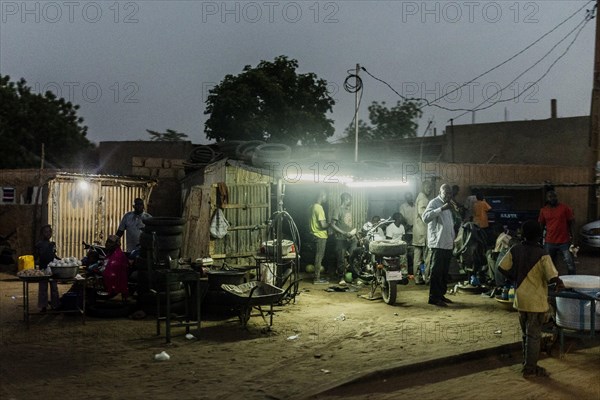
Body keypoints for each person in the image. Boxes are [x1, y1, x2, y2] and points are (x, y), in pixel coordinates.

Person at [498, 220, 564, 378]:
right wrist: (559, 282)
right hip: (536, 301)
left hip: (521, 300)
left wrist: (515, 278)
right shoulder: (542, 254)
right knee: (534, 336)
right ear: (539, 236)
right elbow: (552, 277)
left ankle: (526, 363)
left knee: (525, 334)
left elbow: (501, 267)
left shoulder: (516, 249)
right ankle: (530, 369)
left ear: (523, 234)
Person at [422, 183, 456, 307]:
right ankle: (433, 298)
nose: (448, 195)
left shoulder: (449, 205)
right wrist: (441, 209)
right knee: (436, 272)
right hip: (437, 244)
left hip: (447, 244)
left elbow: (449, 224)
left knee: (443, 272)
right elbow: (425, 218)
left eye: (450, 193)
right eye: (445, 193)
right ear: (440, 192)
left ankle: (441, 295)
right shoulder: (434, 203)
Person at [538, 190, 576, 275]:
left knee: (570, 264)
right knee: (550, 265)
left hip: (564, 242)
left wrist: (574, 240)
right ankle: (554, 284)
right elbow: (541, 226)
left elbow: (572, 224)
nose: (553, 198)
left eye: (554, 196)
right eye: (550, 197)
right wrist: (539, 240)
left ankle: (572, 285)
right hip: (549, 242)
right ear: (547, 198)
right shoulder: (543, 210)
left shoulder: (565, 208)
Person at [330, 192, 357, 285]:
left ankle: (354, 276)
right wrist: (343, 233)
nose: (351, 202)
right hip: (340, 238)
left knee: (353, 257)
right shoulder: (337, 210)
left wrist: (353, 233)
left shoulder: (348, 211)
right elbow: (332, 225)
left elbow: (348, 224)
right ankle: (341, 277)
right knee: (341, 258)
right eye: (350, 200)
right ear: (346, 199)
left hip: (351, 238)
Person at [34, 224, 60, 311]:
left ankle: (55, 305)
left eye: (49, 231)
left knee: (54, 288)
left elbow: (53, 255)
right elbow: (37, 256)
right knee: (43, 288)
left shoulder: (53, 244)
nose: (47, 233)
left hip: (53, 269)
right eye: (45, 232)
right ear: (42, 233)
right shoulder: (39, 244)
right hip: (43, 269)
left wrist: (60, 260)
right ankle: (43, 306)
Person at [413, 180, 432, 285]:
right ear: (423, 187)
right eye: (428, 187)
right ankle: (426, 278)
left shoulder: (420, 197)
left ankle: (417, 278)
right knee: (426, 256)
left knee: (418, 256)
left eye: (430, 187)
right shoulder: (423, 199)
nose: (429, 189)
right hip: (423, 231)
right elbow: (424, 215)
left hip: (418, 231)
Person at [309, 191, 329, 284]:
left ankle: (317, 277)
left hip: (314, 234)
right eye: (326, 196)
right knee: (319, 256)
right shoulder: (319, 207)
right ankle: (317, 279)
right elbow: (322, 225)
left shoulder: (312, 206)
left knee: (318, 256)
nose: (326, 198)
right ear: (322, 195)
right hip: (320, 235)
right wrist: (331, 224)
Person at [102, 235, 130, 300]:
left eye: (110, 242)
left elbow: (111, 273)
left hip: (117, 285)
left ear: (116, 244)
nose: (107, 244)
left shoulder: (118, 256)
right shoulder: (110, 255)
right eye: (107, 242)